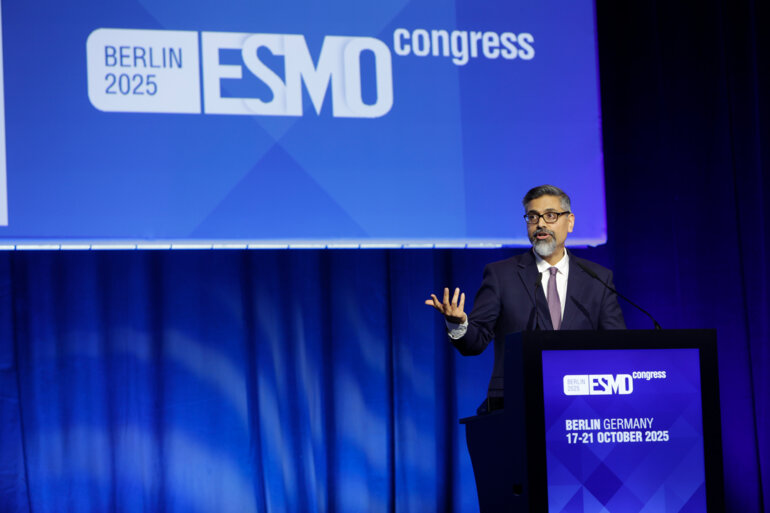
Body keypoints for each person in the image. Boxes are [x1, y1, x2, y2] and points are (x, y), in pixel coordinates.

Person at [425, 184, 626, 412]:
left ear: (570, 222)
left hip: (582, 403)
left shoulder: (597, 278)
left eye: (550, 215)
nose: (540, 224)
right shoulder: (501, 275)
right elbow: (474, 343)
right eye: (532, 217)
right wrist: (458, 324)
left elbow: (617, 345)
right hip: (516, 403)